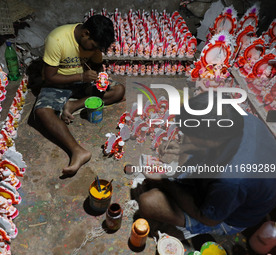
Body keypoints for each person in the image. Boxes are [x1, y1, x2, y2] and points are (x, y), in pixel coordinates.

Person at [138, 92, 276, 236]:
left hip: (229, 217)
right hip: (234, 182)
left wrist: (165, 182)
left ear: (210, 142)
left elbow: (209, 218)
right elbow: (214, 142)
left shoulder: (231, 180)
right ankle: (181, 180)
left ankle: (180, 194)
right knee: (188, 142)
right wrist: (185, 148)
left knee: (149, 202)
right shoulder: (240, 117)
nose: (186, 138)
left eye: (193, 138)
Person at [34, 15, 125, 176]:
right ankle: (78, 151)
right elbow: (49, 77)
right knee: (42, 113)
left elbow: (97, 65)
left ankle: (73, 105)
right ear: (85, 34)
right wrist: (81, 77)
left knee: (119, 91)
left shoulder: (93, 44)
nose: (93, 50)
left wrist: (99, 78)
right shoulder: (57, 39)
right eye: (93, 46)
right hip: (58, 83)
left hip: (83, 83)